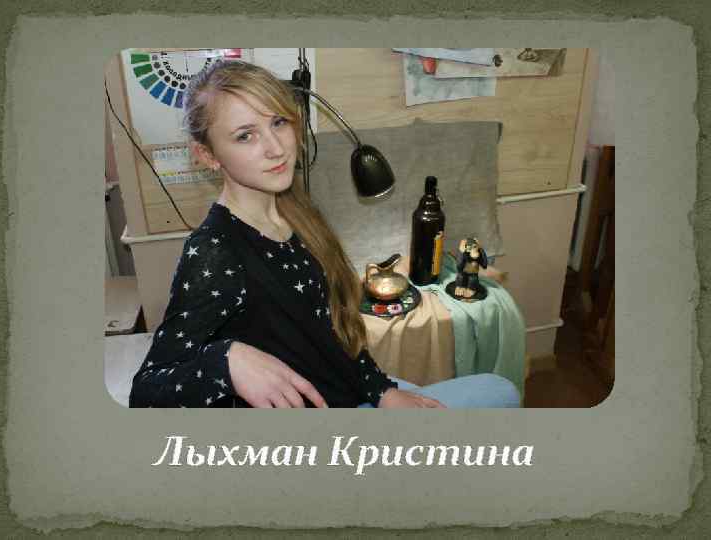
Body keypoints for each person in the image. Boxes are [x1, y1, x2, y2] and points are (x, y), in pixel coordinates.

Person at [128, 60, 520, 409]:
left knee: (500, 390)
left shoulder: (294, 210)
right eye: (245, 135)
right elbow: (146, 392)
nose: (276, 148)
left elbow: (330, 331)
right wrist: (225, 361)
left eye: (278, 122)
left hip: (350, 386)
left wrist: (382, 391)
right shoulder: (214, 252)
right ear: (208, 155)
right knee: (498, 392)